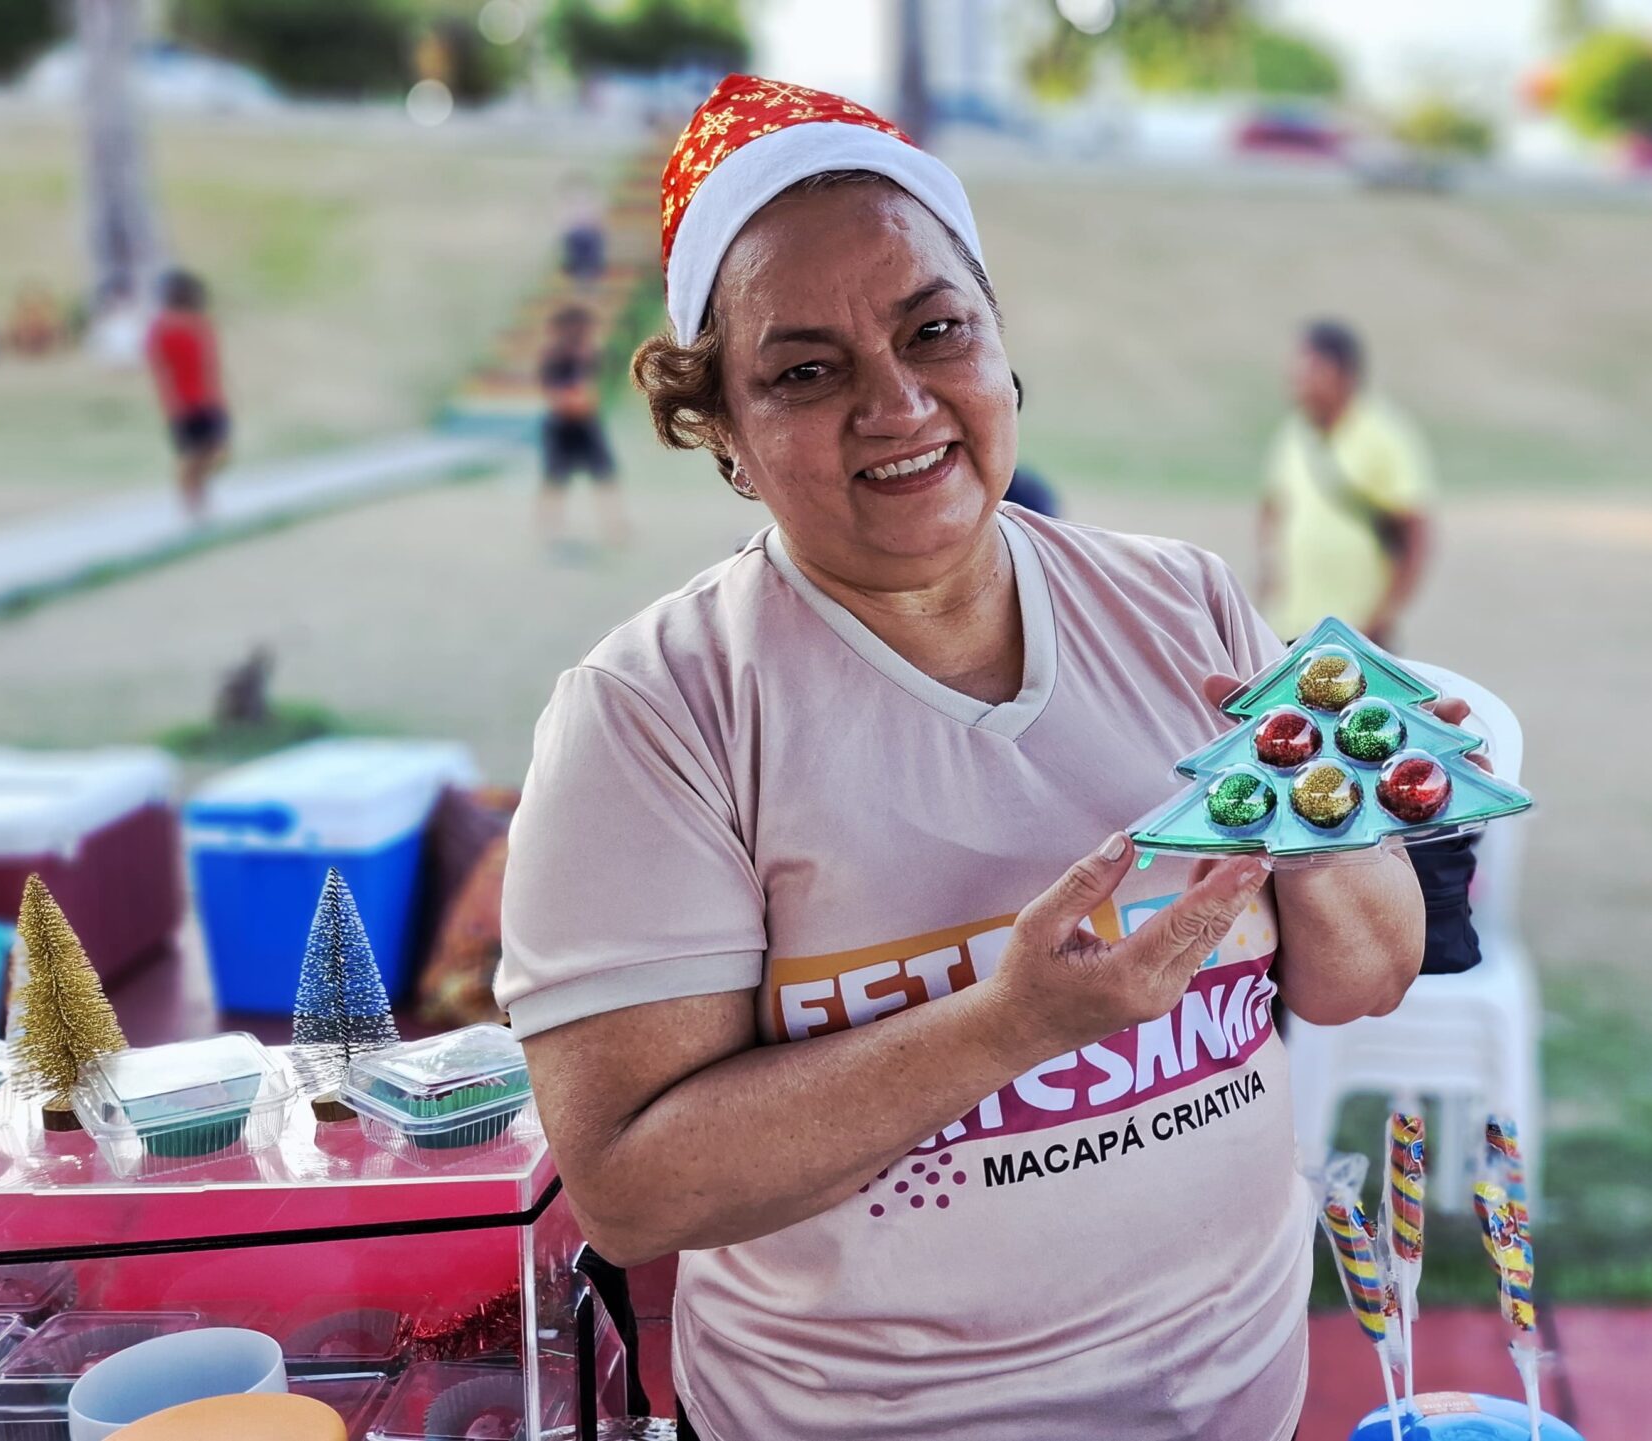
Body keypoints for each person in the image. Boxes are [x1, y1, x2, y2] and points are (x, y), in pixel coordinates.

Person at [498, 75, 1455, 1441]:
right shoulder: (657, 712)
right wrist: (1012, 1025)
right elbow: (633, 1192)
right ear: (726, 432)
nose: (897, 403)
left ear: (1000, 345)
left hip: (1233, 1403)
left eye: (934, 330)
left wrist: (1312, 806)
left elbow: (1365, 973)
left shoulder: (1185, 603)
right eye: (806, 370)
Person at [1258, 319, 1435, 647]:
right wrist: (1268, 587)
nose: (1298, 380)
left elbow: (1415, 535)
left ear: (1343, 374)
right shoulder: (1292, 434)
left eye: (1311, 369)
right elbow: (1273, 512)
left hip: (1357, 635)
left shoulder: (1385, 435)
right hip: (1290, 630)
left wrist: (1383, 616)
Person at [536, 304, 626, 546]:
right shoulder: (554, 358)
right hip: (562, 426)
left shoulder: (589, 357)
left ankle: (614, 526)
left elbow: (593, 389)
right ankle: (549, 529)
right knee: (556, 478)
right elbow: (557, 396)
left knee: (604, 475)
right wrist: (574, 400)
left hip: (586, 424)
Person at [144, 270, 228, 520]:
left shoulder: (200, 324)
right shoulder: (163, 328)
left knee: (215, 452)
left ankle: (197, 494)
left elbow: (210, 363)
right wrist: (170, 402)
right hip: (184, 402)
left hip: (207, 399)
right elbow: (160, 367)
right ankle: (192, 503)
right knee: (191, 454)